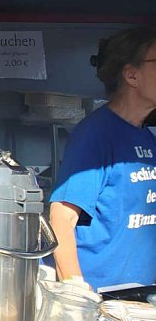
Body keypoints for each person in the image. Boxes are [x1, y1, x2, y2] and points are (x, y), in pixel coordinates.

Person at [50, 27, 156, 289]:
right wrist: (76, 292)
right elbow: (62, 217)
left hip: (141, 298)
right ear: (132, 74)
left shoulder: (146, 137)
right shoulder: (95, 134)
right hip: (103, 302)